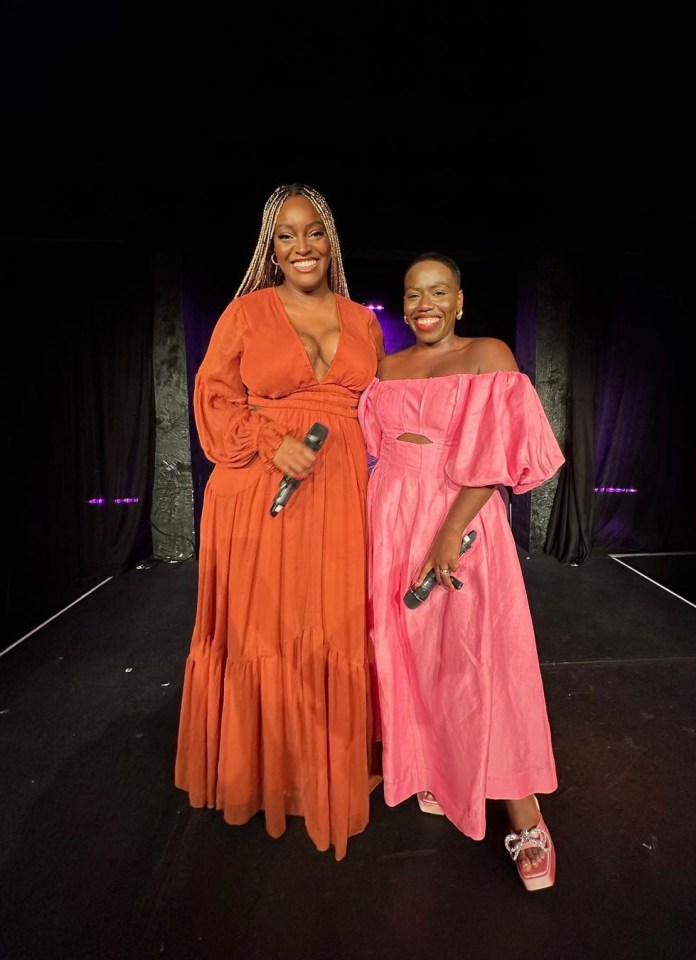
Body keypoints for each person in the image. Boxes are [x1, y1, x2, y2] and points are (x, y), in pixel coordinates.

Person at [174, 183, 385, 861]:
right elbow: (212, 404)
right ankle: (261, 774)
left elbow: (384, 410)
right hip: (258, 493)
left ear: (331, 240)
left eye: (314, 232)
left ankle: (323, 769)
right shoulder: (245, 313)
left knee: (331, 626)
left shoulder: (363, 320)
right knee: (264, 629)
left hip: (340, 495)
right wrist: (272, 441)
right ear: (271, 246)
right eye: (287, 235)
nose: (302, 247)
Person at [358, 252, 564, 890]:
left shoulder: (489, 355)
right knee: (411, 653)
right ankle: (433, 769)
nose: (425, 304)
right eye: (413, 294)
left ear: (460, 300)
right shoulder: (387, 367)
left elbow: (498, 456)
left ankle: (525, 817)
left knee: (483, 659)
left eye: (438, 292)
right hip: (390, 515)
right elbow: (374, 446)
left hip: (462, 520)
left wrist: (449, 531)